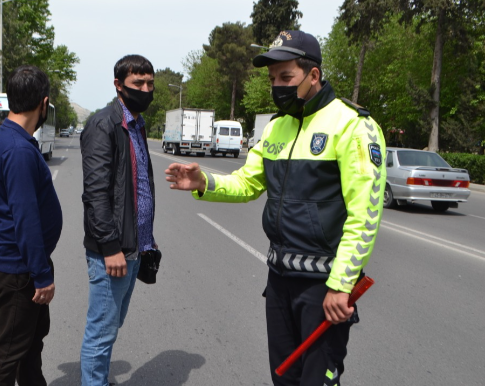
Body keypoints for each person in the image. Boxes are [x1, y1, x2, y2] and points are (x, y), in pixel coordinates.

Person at [165, 30, 386, 386]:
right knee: (283, 380)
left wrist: (342, 284)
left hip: (324, 287)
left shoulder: (352, 125)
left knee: (317, 382)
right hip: (279, 280)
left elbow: (366, 213)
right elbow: (248, 183)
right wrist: (205, 182)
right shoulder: (275, 128)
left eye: (286, 77)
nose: (277, 86)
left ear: (313, 75)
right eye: (272, 79)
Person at [79, 54, 157, 386]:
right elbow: (95, 195)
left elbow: (136, 187)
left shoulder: (136, 124)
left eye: (150, 83)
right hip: (113, 251)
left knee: (112, 326)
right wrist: (110, 246)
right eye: (138, 83)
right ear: (118, 86)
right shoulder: (104, 124)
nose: (146, 89)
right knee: (101, 331)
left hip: (134, 248)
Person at [0, 65, 62, 386]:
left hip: (24, 265)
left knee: (30, 343)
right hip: (20, 269)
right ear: (43, 104)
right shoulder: (18, 150)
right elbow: (25, 219)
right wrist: (41, 275)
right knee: (10, 351)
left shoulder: (12, 138)